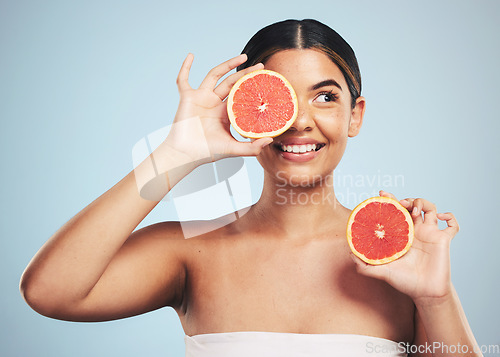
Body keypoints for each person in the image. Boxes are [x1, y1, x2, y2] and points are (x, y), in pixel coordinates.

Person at [20, 19, 481, 356]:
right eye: (280, 98)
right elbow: (50, 291)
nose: (301, 121)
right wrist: (176, 154)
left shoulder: (399, 259)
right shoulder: (191, 253)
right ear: (243, 107)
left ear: (355, 115)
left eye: (325, 97)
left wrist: (434, 297)